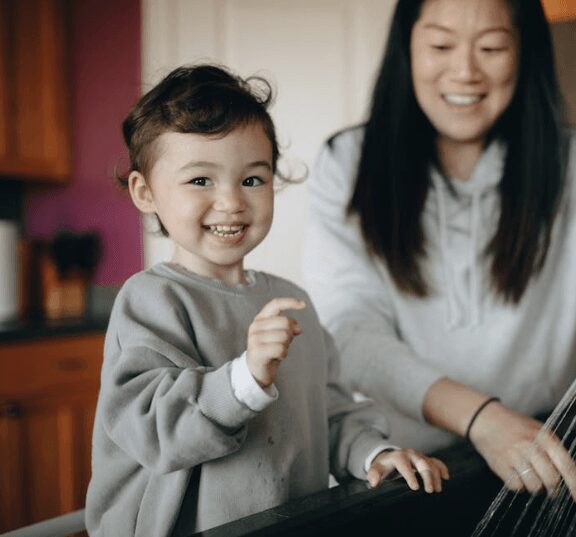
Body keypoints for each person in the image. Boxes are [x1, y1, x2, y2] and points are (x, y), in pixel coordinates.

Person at [85, 64, 449, 537]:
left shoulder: (292, 301)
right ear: (145, 192)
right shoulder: (150, 300)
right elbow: (153, 431)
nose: (232, 202)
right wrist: (245, 378)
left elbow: (329, 412)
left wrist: (373, 453)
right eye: (200, 180)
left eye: (252, 180)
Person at [303, 0, 576, 500]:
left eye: (491, 47)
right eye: (441, 45)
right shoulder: (347, 165)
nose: (465, 71)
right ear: (407, 48)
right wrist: (482, 418)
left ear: (525, 53)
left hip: (542, 463)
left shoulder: (569, 165)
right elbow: (349, 331)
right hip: (402, 472)